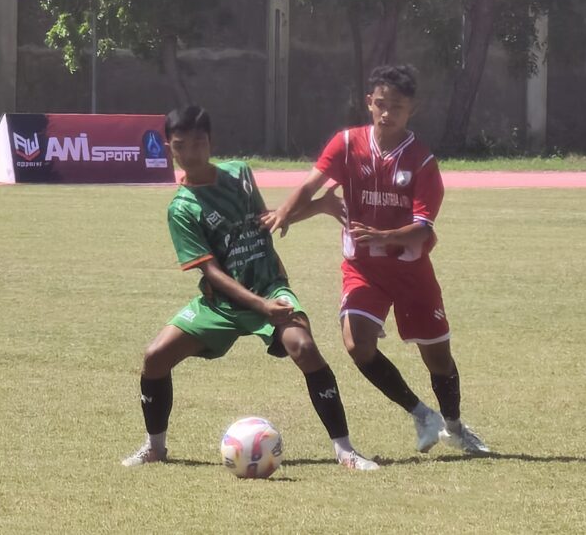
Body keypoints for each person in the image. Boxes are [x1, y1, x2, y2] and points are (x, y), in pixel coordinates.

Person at [122, 105, 378, 470]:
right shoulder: (181, 208)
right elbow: (211, 272)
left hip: (270, 286)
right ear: (169, 147)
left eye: (198, 143)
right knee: (154, 358)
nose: (190, 153)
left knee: (303, 347)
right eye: (181, 146)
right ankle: (155, 447)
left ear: (210, 142)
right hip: (221, 304)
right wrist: (259, 308)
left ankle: (345, 450)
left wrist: (318, 205)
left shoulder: (239, 173)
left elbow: (265, 223)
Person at [263, 65, 489, 455]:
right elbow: (311, 186)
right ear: (369, 102)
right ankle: (421, 414)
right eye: (381, 104)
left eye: (397, 107)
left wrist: (384, 236)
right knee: (356, 344)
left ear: (411, 110)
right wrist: (285, 212)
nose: (387, 113)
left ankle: (453, 425)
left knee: (437, 358)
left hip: (412, 274)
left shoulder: (421, 161)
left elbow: (422, 228)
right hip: (362, 270)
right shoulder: (347, 144)